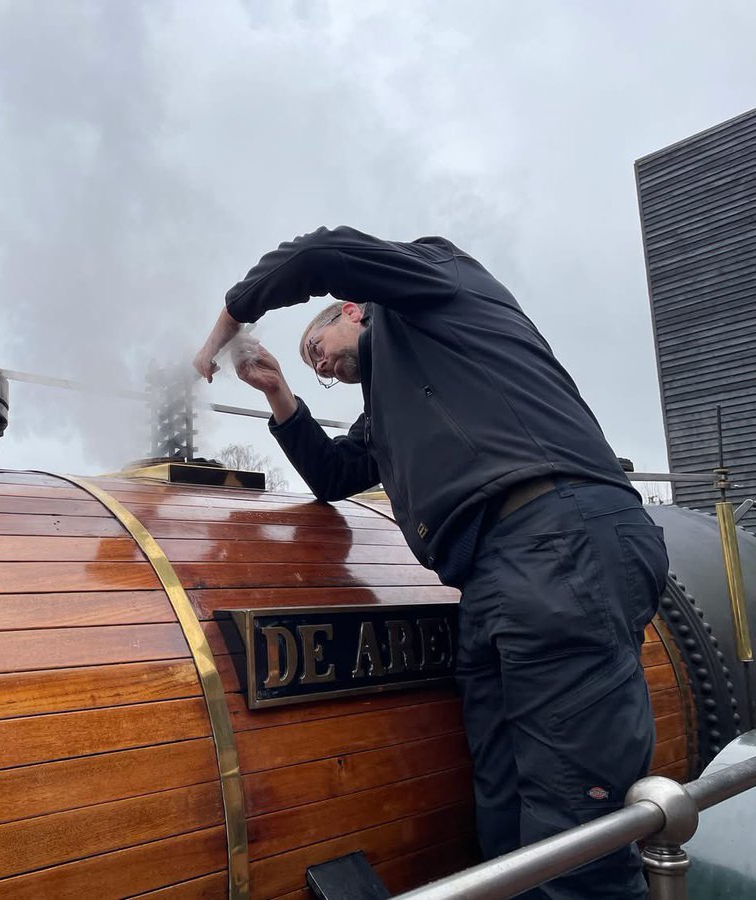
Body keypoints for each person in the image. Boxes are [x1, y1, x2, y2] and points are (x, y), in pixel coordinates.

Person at [194, 226, 669, 900]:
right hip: (493, 576)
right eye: (311, 367)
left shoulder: (435, 282)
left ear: (353, 308)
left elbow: (317, 253)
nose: (318, 366)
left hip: (558, 538)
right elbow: (334, 477)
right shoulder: (388, 406)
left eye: (315, 349)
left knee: (576, 829)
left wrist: (226, 323)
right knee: (502, 810)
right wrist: (279, 396)